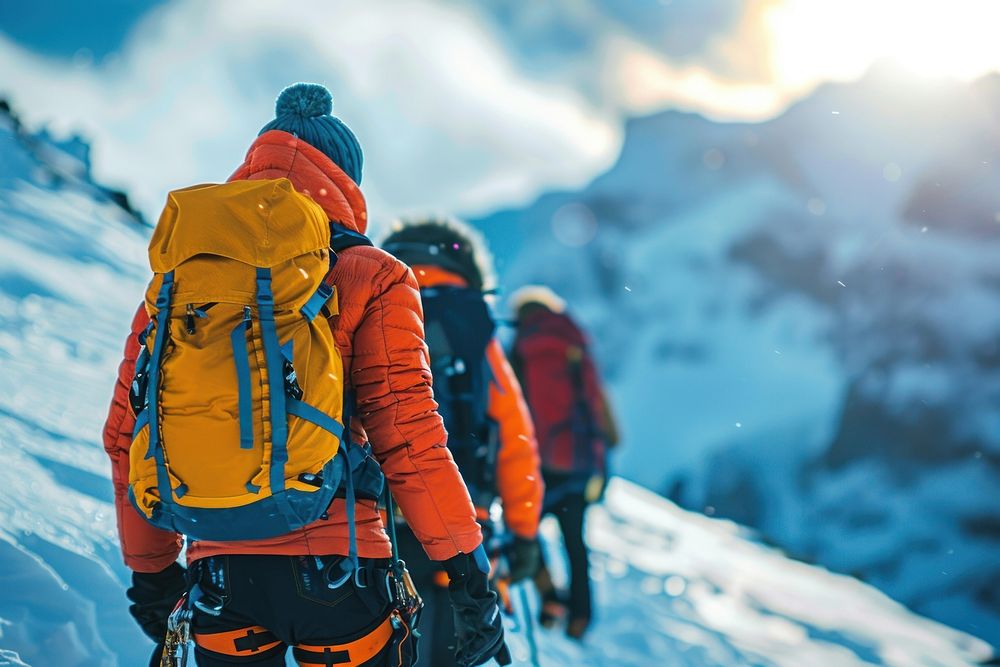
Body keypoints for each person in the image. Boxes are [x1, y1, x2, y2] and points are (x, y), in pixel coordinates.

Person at [102, 83, 509, 667]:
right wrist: (466, 575)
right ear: (346, 182)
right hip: (339, 570)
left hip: (219, 572)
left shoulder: (180, 283)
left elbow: (126, 435)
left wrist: (152, 575)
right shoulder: (372, 274)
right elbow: (409, 437)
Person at [381, 218, 544, 666]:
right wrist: (525, 533)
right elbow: (513, 436)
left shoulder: (367, 298)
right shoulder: (470, 321)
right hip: (457, 525)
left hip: (373, 521)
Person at [509, 286, 619, 641]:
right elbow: (596, 402)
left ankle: (549, 596)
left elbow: (511, 402)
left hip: (539, 459)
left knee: (526, 528)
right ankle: (581, 616)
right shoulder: (575, 343)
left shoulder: (523, 347)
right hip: (579, 460)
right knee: (575, 542)